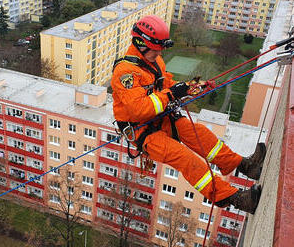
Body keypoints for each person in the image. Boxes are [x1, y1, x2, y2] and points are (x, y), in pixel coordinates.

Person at [111, 15, 266, 214]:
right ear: (141, 44)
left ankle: (245, 165)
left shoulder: (154, 62)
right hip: (143, 132)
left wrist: (191, 87)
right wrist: (173, 93)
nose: (159, 52)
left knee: (199, 134)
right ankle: (234, 198)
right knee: (186, 159)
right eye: (156, 48)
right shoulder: (125, 72)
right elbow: (139, 109)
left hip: (161, 119)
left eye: (161, 49)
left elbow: (164, 86)